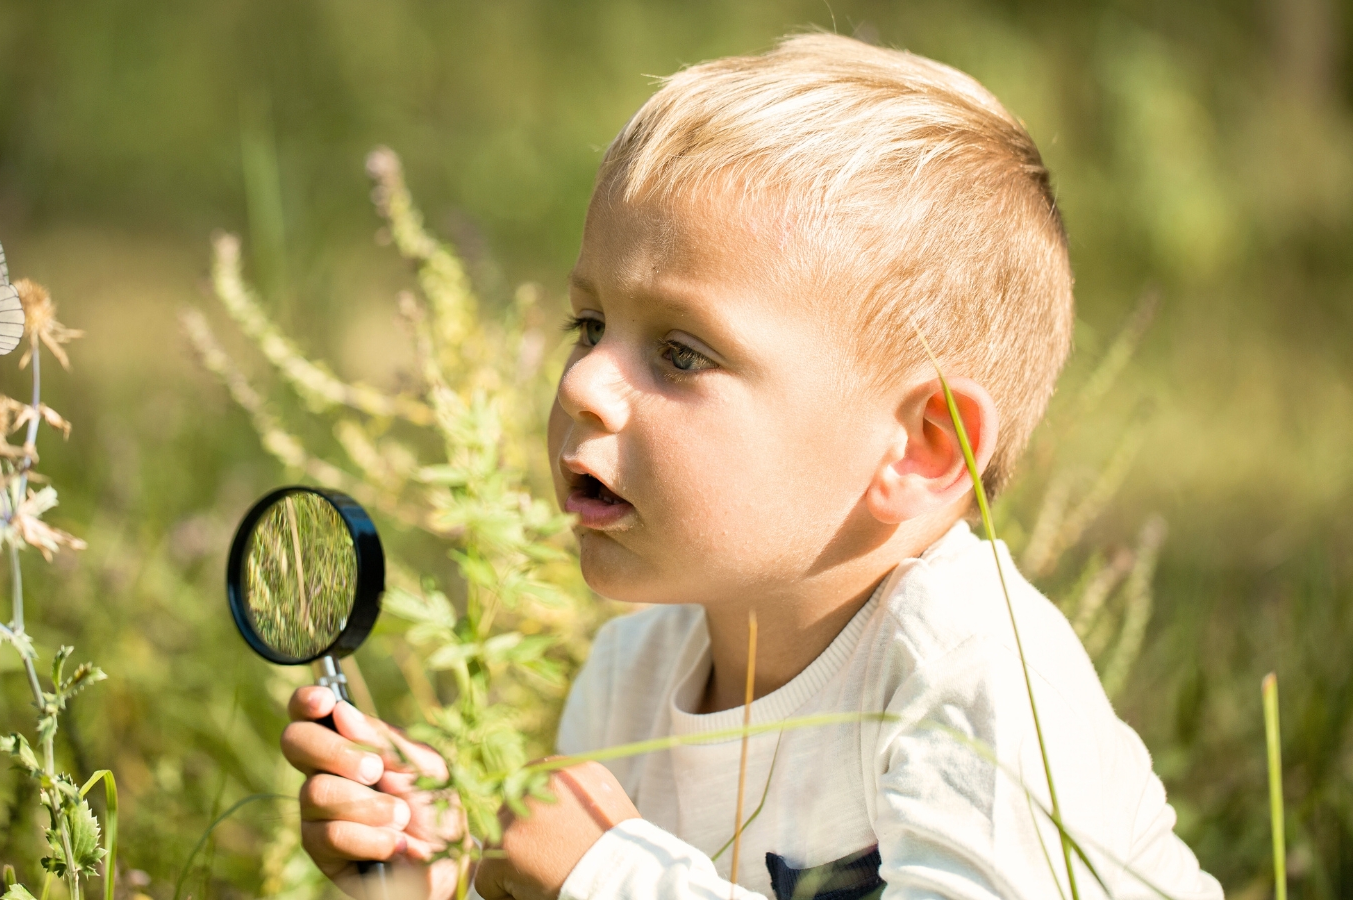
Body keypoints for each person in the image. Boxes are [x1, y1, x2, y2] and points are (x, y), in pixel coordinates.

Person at [278, 32, 1224, 900]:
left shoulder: (973, 671)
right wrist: (429, 869)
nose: (584, 385)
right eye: (590, 326)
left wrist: (610, 874)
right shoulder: (634, 673)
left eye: (682, 353)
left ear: (923, 449)